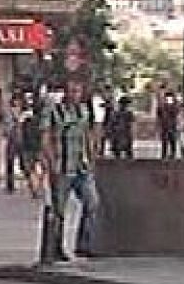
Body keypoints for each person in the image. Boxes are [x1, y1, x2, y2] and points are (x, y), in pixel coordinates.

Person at [43, 77, 102, 260]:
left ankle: (84, 244)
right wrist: (51, 162)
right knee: (59, 209)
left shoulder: (83, 111)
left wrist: (91, 156)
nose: (75, 95)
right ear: (65, 93)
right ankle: (56, 248)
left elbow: (88, 134)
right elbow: (45, 137)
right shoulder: (53, 111)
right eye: (72, 91)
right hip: (62, 167)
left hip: (80, 166)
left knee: (92, 202)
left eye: (78, 91)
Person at [1, 92, 24, 193]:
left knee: (24, 162)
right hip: (12, 138)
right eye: (15, 100)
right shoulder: (8, 112)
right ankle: (10, 184)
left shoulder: (23, 111)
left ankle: (32, 182)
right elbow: (7, 125)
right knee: (10, 162)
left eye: (18, 100)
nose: (17, 102)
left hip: (22, 138)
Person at [105, 95, 136, 160]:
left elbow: (132, 123)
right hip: (118, 135)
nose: (125, 106)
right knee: (119, 153)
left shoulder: (128, 113)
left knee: (127, 153)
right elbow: (110, 125)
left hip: (124, 135)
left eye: (126, 104)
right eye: (124, 104)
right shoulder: (115, 113)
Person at [157, 90, 183, 160]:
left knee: (172, 141)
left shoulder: (175, 105)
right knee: (165, 141)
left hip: (172, 125)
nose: (169, 99)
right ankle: (164, 155)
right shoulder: (162, 106)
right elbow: (159, 114)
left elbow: (176, 113)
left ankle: (172, 154)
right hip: (165, 125)